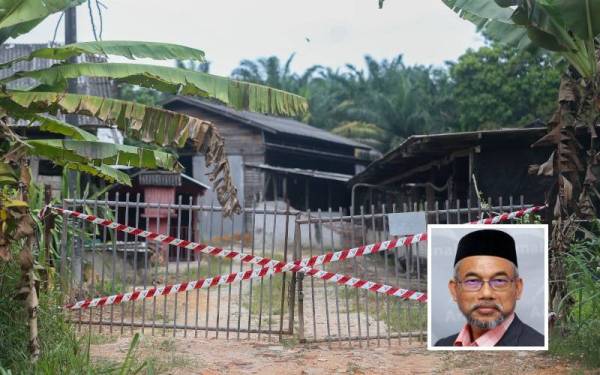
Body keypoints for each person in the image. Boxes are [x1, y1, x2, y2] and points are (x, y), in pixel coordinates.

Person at [435, 229, 544, 347]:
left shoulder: (538, 347)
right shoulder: (442, 345)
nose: (486, 293)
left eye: (499, 281)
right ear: (454, 290)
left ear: (517, 288)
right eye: (472, 281)